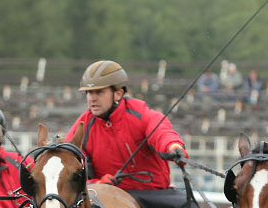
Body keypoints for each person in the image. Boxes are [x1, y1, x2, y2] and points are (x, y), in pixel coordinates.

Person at [65, 59, 187, 192]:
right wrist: (97, 183)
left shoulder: (140, 113)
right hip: (111, 199)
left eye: (99, 92)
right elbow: (66, 164)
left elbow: (161, 132)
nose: (92, 98)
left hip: (154, 195)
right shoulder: (83, 125)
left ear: (118, 93)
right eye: (88, 92)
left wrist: (173, 146)